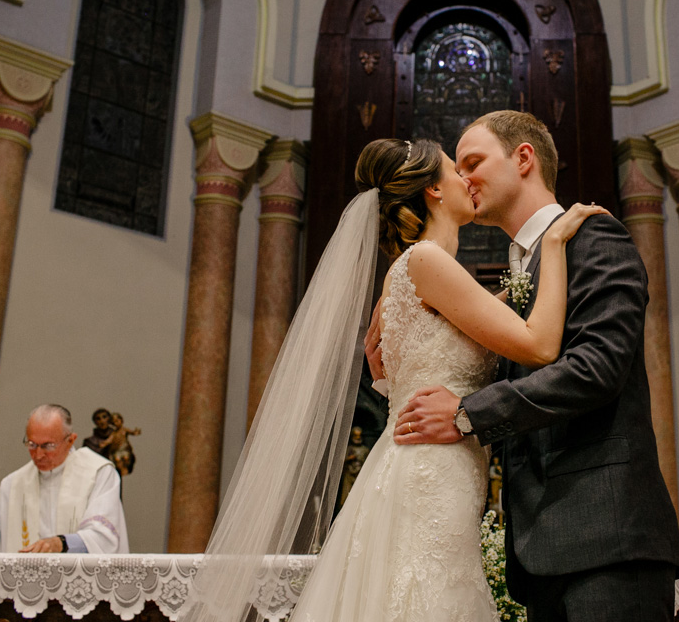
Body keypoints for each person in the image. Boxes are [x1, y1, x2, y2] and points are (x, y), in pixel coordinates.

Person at [184, 137, 605, 622]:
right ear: (433, 190)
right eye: (456, 169)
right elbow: (539, 346)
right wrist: (552, 244)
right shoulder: (426, 264)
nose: (467, 180)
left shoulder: (410, 274)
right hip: (432, 466)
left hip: (427, 458)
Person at [382, 110, 679, 621]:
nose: (462, 179)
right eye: (456, 169)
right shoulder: (521, 270)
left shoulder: (594, 238)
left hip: (605, 538)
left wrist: (466, 414)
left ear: (523, 158)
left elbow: (596, 368)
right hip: (538, 547)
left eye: (473, 162)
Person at [0, 404, 129, 553]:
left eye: (47, 446)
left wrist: (60, 543)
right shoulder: (14, 483)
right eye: (31, 444)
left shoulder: (98, 473)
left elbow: (103, 535)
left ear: (71, 440)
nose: (38, 455)